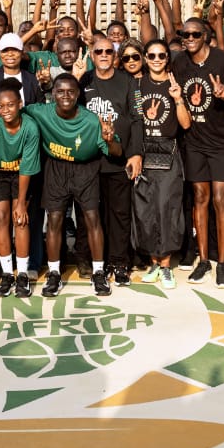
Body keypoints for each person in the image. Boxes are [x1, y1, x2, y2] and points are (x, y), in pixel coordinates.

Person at [25, 73, 121, 297]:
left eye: (71, 91)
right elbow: (13, 109)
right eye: (60, 91)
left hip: (85, 169)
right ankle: (54, 273)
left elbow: (117, 152)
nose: (65, 96)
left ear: (78, 94)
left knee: (92, 219)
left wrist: (109, 140)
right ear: (53, 94)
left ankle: (98, 273)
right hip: (56, 168)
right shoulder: (41, 111)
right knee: (55, 220)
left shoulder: (91, 120)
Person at [169, 17, 224, 288]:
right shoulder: (179, 62)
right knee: (200, 197)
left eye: (194, 34)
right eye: (184, 34)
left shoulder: (222, 61)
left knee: (221, 199)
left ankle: (222, 262)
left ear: (205, 36)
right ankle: (203, 260)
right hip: (195, 141)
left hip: (223, 142)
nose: (188, 38)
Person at [78, 34, 143, 286]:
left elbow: (137, 119)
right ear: (92, 55)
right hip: (89, 160)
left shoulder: (127, 82)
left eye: (108, 51)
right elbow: (68, 109)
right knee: (93, 215)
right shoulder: (84, 80)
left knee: (119, 214)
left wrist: (136, 153)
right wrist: (75, 78)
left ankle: (120, 262)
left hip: (118, 159)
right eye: (98, 52)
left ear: (115, 56)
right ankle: (98, 263)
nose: (103, 55)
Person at [134, 39, 191, 290]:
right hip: (144, 151)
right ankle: (154, 262)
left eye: (161, 56)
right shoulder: (137, 85)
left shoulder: (174, 82)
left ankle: (166, 265)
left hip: (169, 149)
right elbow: (134, 118)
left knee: (167, 207)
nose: (156, 60)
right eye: (152, 56)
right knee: (145, 208)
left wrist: (178, 99)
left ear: (167, 58)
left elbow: (186, 124)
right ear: (146, 58)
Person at [0, 80, 43, 297]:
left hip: (24, 174)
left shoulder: (30, 127)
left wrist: (21, 202)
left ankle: (22, 274)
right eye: (1, 107)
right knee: (1, 218)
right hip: (0, 173)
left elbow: (27, 169)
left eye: (10, 105)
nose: (6, 110)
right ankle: (6, 275)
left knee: (20, 218)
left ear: (20, 104)